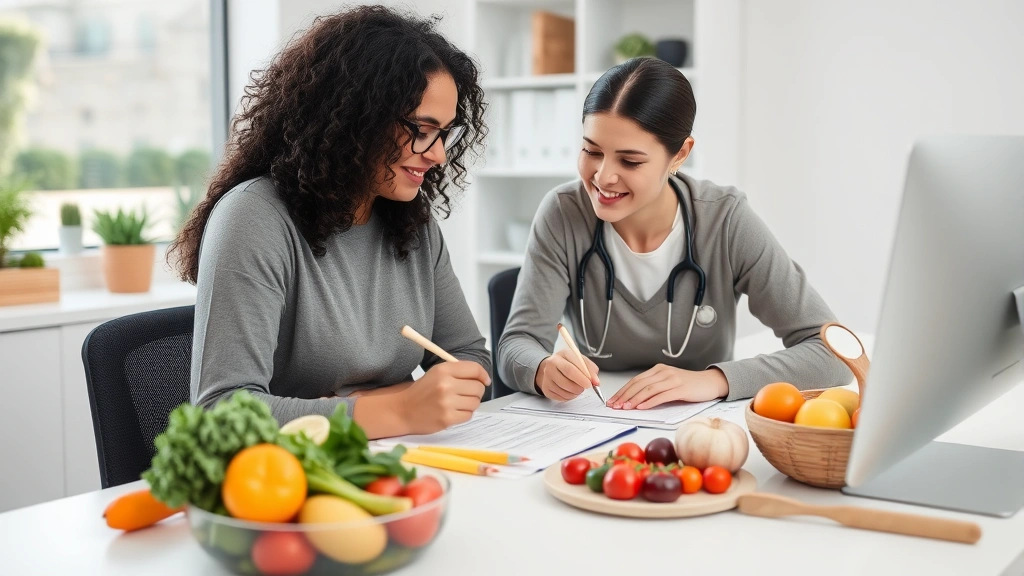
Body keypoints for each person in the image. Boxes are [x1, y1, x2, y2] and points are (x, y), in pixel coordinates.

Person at [169, 5, 491, 439]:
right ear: (359, 117)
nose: (437, 154)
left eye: (445, 133)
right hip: (288, 479)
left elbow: (468, 357)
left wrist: (370, 406)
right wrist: (393, 410)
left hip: (397, 463)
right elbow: (220, 411)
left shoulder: (412, 223)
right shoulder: (254, 217)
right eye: (420, 128)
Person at [497, 57, 849, 409]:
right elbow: (517, 344)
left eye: (630, 161)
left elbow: (834, 354)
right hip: (598, 420)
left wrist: (714, 380)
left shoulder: (724, 220)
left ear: (679, 154)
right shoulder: (563, 213)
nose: (603, 177)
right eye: (591, 150)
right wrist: (543, 368)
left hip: (701, 425)